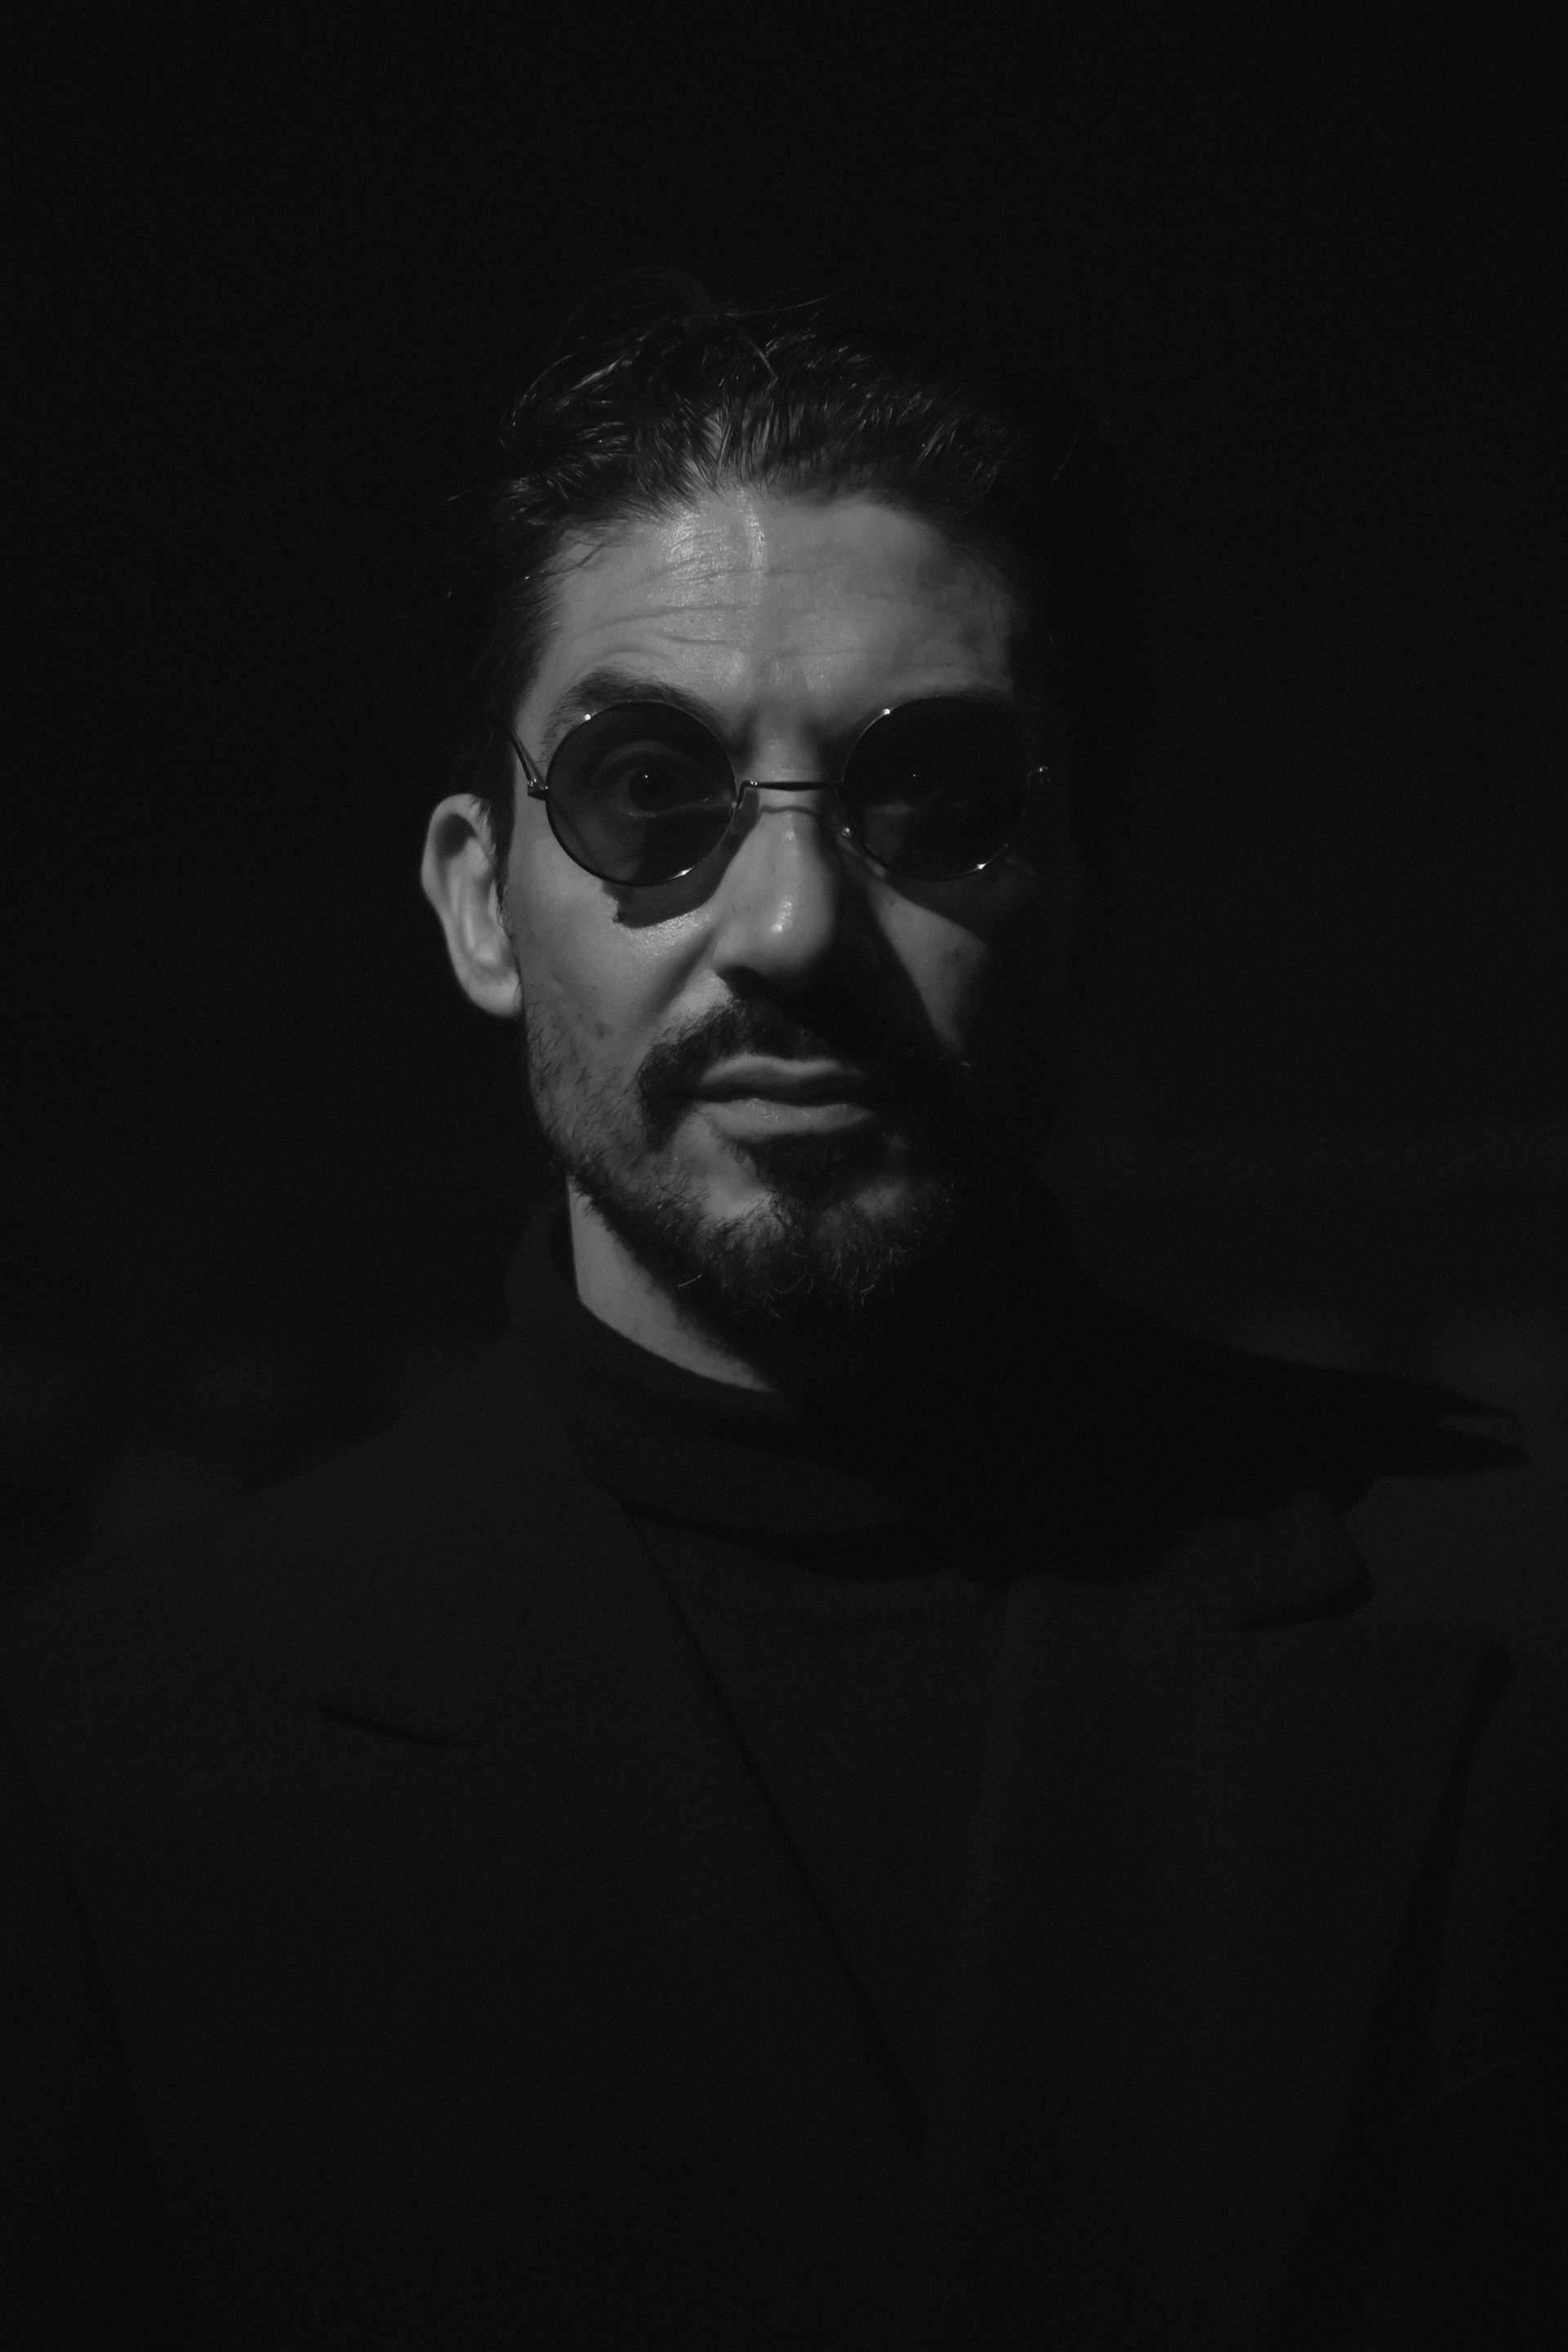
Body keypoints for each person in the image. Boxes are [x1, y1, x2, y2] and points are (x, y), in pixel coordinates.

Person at [2, 276, 1562, 2349]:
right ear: (480, 901)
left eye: (935, 800)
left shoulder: (1522, 1638)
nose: (797, 925)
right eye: (651, 794)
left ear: (1089, 894)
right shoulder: (113, 1766)